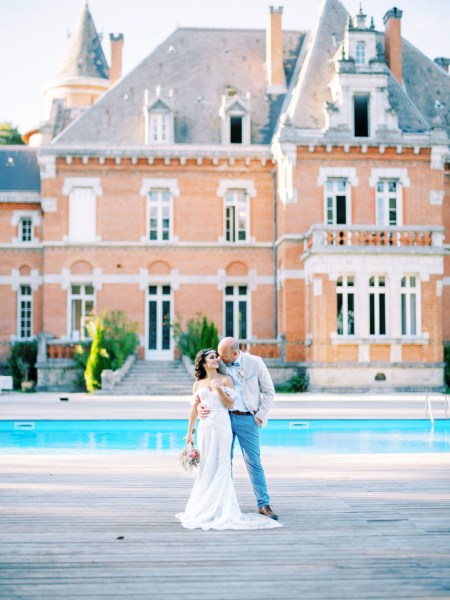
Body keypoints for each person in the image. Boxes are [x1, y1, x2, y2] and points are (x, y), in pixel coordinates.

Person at [176, 348, 281, 531]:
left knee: (248, 462)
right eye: (213, 356)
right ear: (203, 362)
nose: (218, 358)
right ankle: (214, 503)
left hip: (233, 421)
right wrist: (190, 433)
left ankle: (262, 504)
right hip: (207, 427)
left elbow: (231, 402)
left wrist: (219, 390)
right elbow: (194, 409)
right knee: (210, 464)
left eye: (218, 356)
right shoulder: (198, 384)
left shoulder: (228, 377)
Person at [199, 337, 278, 520]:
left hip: (248, 419)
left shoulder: (255, 363)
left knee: (254, 462)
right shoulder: (220, 362)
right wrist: (200, 406)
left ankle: (263, 504)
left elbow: (269, 392)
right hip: (224, 419)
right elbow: (204, 383)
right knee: (224, 461)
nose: (219, 359)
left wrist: (259, 415)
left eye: (223, 356)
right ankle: (226, 503)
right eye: (217, 355)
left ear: (235, 353)